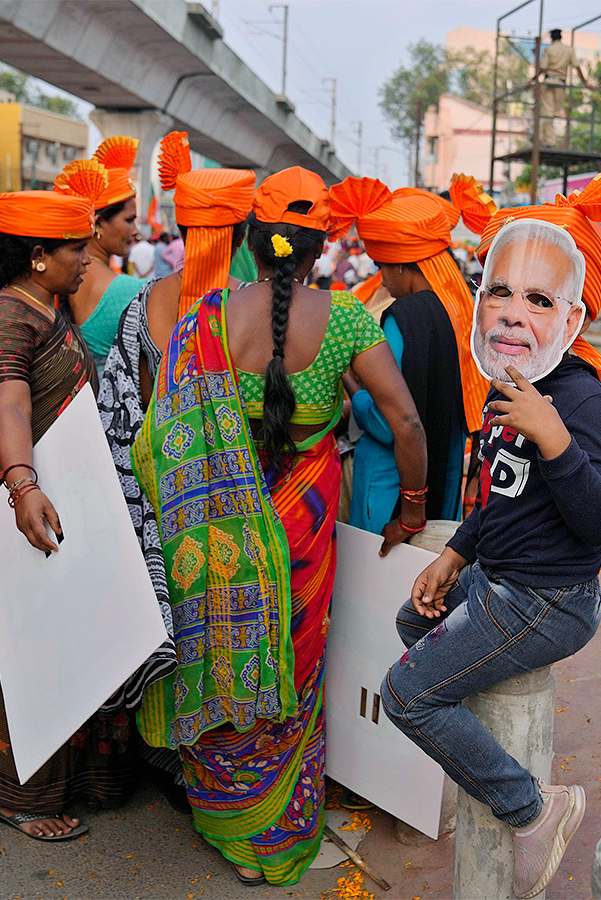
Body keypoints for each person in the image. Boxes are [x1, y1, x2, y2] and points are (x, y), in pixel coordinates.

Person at [132, 167, 428, 886]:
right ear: (321, 246)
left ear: (254, 242)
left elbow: (160, 430)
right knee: (293, 662)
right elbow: (407, 420)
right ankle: (279, 831)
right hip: (304, 522)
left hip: (219, 527)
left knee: (222, 648)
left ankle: (233, 826)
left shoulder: (206, 316)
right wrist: (412, 505)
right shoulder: (350, 319)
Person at [380, 171, 601, 900]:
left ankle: (531, 809)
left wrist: (556, 441)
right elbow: (501, 499)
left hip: (549, 598)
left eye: (539, 298)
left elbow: (600, 521)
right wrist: (456, 553)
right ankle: (478, 760)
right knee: (408, 619)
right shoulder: (511, 386)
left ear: (571, 320)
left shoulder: (581, 400)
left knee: (407, 696)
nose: (514, 313)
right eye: (500, 291)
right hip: (499, 576)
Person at [0, 180, 133, 840]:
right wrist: (24, 487)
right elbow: (10, 404)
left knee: (72, 634)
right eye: (73, 249)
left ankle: (78, 777)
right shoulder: (5, 315)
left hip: (54, 492)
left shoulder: (48, 306)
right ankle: (18, 790)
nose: (86, 259)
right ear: (37, 255)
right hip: (10, 500)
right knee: (30, 643)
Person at [95, 131, 255, 809]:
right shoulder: (258, 308)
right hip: (236, 503)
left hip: (159, 494)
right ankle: (224, 774)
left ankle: (164, 753)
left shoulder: (145, 302)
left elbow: (119, 407)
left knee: (175, 620)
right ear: (246, 227)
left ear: (182, 227)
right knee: (228, 626)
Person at [328, 177, 469, 532]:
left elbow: (387, 422)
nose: (383, 280)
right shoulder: (461, 310)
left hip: (392, 486)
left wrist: (349, 378)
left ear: (403, 264)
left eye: (383, 267)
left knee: (379, 584)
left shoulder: (401, 318)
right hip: (446, 474)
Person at [57, 136, 145, 364]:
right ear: (97, 223)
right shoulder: (129, 290)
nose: (136, 232)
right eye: (129, 220)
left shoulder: (59, 276)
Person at [531, 28, 597, 146]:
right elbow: (577, 67)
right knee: (554, 112)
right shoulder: (568, 50)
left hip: (549, 81)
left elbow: (543, 67)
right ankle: (546, 138)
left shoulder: (549, 50)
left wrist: (532, 80)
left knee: (548, 112)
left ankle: (542, 136)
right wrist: (585, 83)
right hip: (560, 83)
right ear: (561, 38)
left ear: (552, 38)